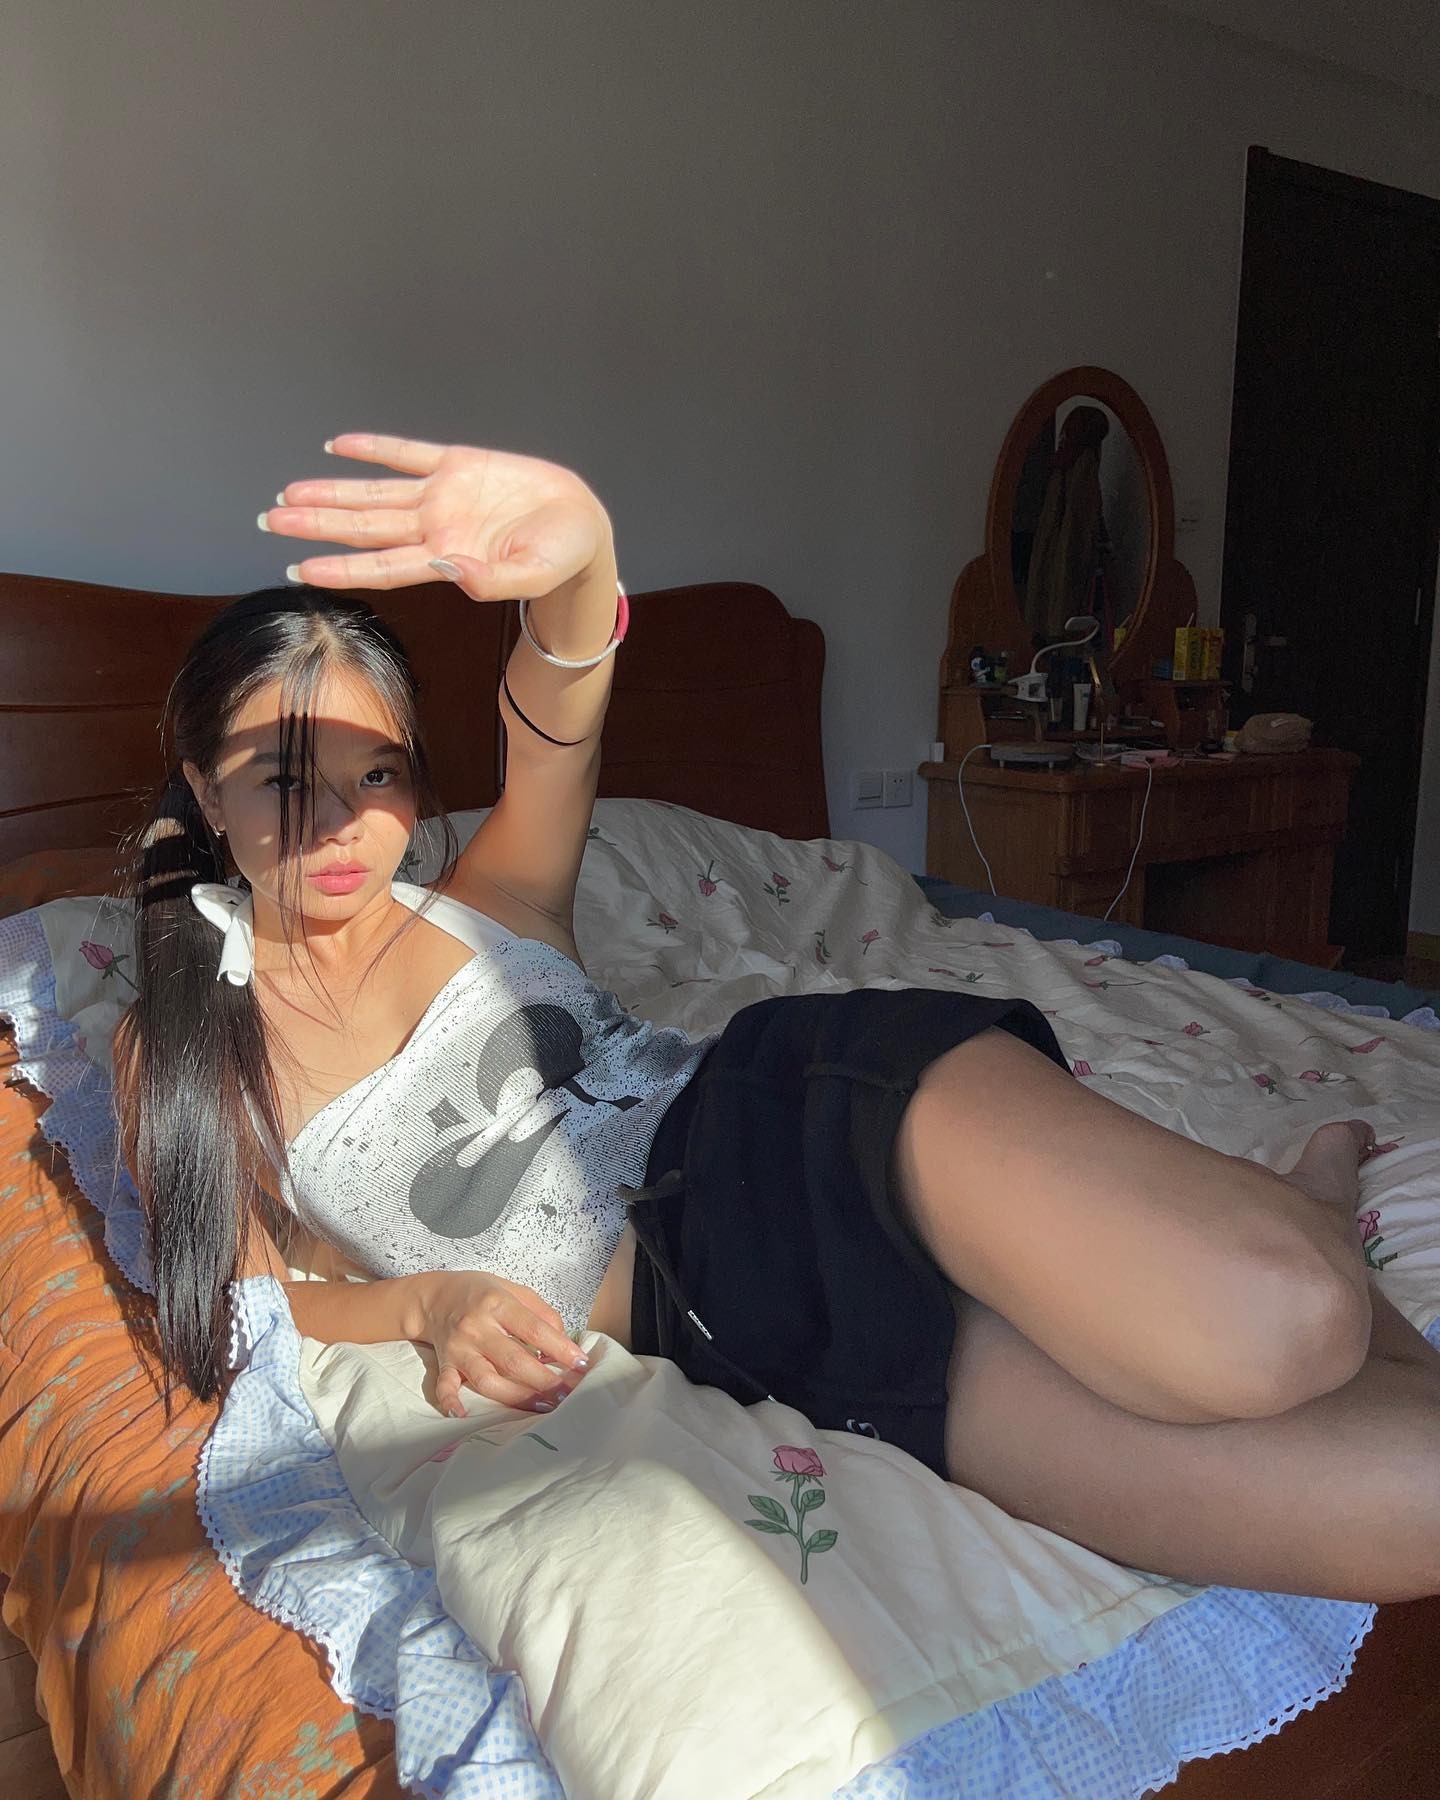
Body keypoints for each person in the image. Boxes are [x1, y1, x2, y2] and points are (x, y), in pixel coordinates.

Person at [115, 433, 1439, 1604]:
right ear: (204, 788)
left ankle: (1305, 1215)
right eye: (284, 777)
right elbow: (246, 1303)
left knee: (1285, 1325)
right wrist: (427, 1304)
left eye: (380, 774)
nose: (342, 824)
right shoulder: (182, 1045)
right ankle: (1303, 1211)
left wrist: (580, 557)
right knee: (1412, 1501)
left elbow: (560, 724)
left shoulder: (491, 901)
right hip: (734, 1322)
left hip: (801, 1121)